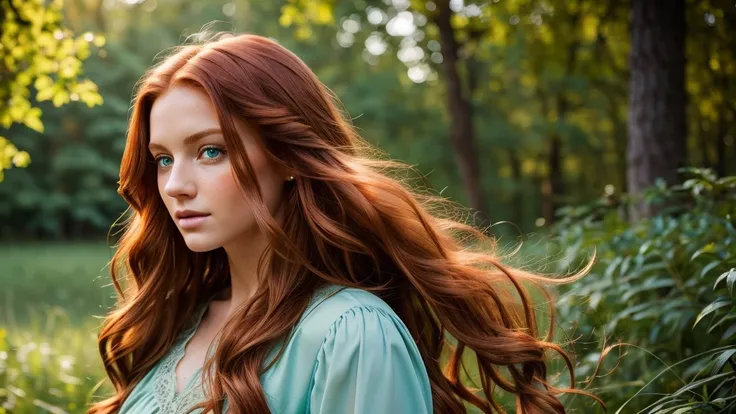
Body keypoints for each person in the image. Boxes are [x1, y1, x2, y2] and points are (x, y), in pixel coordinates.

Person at [88, 33, 602, 414]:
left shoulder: (351, 334)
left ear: (287, 155)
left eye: (210, 151)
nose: (176, 184)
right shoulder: (179, 321)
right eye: (162, 158)